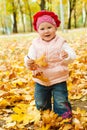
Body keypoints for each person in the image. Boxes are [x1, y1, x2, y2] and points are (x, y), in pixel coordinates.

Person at [24, 10, 76, 121]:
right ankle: (45, 116)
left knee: (61, 100)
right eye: (42, 29)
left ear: (55, 28)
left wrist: (67, 56)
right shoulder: (35, 44)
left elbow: (72, 56)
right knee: (41, 101)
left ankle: (64, 118)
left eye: (49, 27)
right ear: (37, 30)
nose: (46, 31)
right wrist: (28, 62)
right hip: (41, 79)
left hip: (59, 78)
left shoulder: (61, 42)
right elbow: (30, 57)